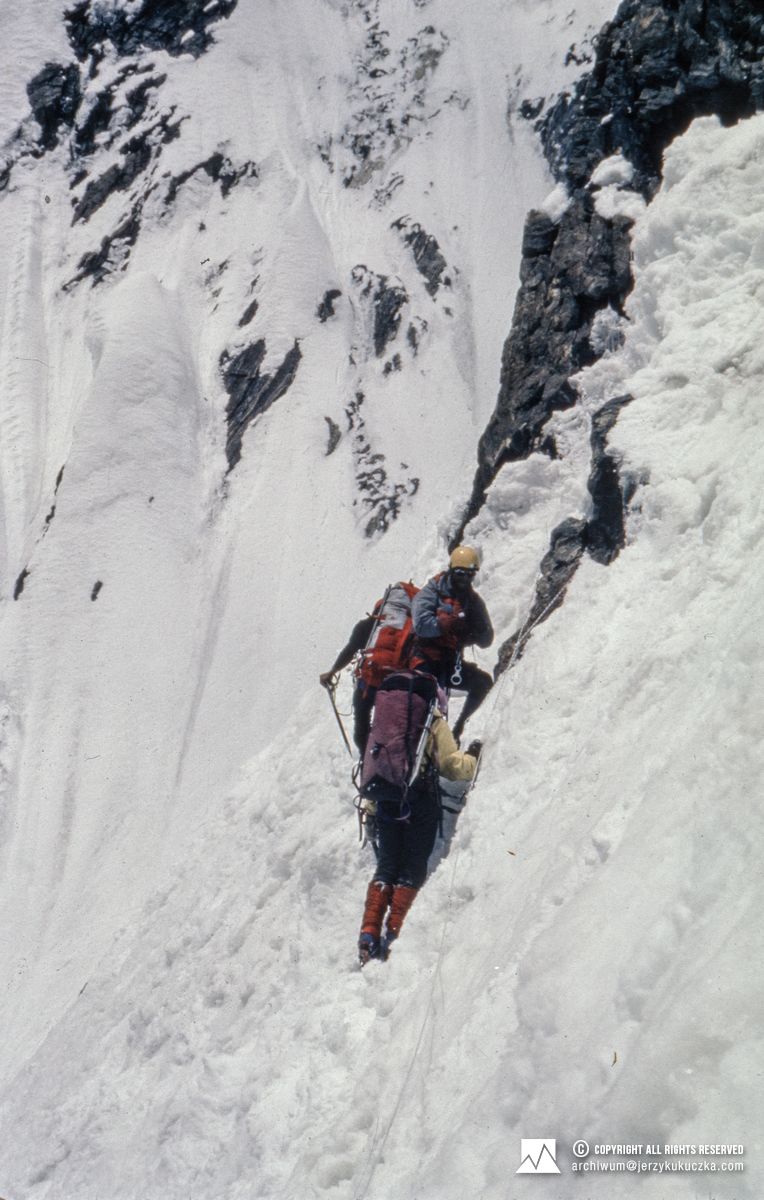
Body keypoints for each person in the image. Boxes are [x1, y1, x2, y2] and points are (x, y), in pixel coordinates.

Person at [357, 690, 481, 964]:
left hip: (386, 803)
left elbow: (376, 766)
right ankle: (394, 936)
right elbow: (452, 766)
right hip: (420, 802)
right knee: (411, 869)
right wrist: (474, 756)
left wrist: (372, 809)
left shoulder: (385, 717)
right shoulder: (430, 717)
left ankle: (368, 934)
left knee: (386, 868)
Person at [411, 545, 494, 742]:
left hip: (450, 664)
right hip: (425, 661)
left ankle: (457, 733)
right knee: (425, 705)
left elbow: (487, 639)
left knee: (482, 683)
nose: (464, 579)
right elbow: (420, 625)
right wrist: (445, 624)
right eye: (460, 574)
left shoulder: (472, 601)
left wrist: (472, 631)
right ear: (451, 570)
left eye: (469, 574)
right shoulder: (432, 591)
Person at [319, 613, 376, 753]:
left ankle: (366, 756)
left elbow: (351, 649)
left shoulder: (371, 623)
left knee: (361, 729)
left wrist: (332, 671)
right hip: (402, 685)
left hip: (370, 684)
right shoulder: (411, 620)